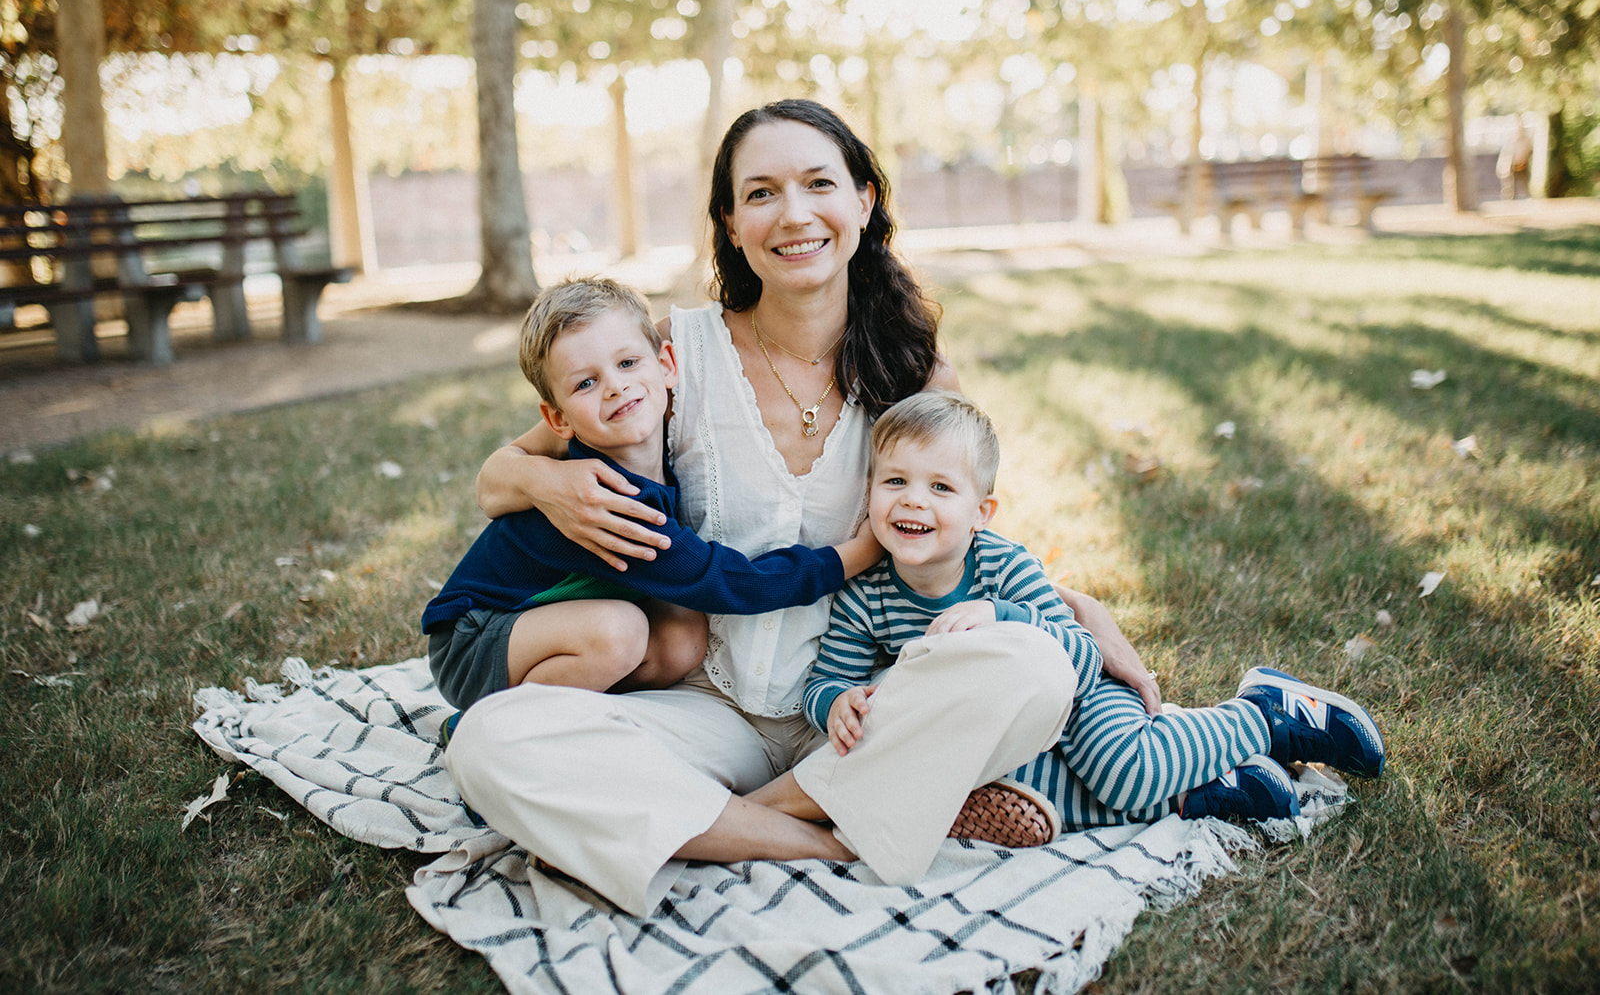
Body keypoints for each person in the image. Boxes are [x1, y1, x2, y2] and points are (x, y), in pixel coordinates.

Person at [446, 99, 1161, 917]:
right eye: (760, 193)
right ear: (730, 220)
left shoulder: (915, 373)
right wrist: (548, 484)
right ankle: (830, 824)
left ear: (863, 201)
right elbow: (498, 476)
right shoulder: (675, 354)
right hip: (704, 708)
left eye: (818, 183)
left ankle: (747, 813)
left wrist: (1076, 606)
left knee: (1032, 667)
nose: (793, 214)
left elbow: (959, 538)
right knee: (490, 743)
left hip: (859, 708)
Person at [746, 390, 1386, 884]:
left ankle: (1265, 716)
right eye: (896, 482)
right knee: (1035, 799)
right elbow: (830, 676)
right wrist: (835, 703)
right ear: (870, 494)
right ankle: (1200, 791)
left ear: (981, 512)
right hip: (1015, 731)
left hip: (1084, 699)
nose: (914, 502)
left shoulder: (1002, 565)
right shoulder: (868, 596)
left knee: (1123, 772)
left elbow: (1077, 651)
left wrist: (1003, 617)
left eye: (941, 487)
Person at [422, 277, 882, 719]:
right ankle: (494, 725)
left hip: (542, 625)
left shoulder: (652, 445)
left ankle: (581, 713)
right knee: (617, 634)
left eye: (627, 364)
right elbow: (730, 583)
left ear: (666, 365)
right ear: (558, 418)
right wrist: (851, 556)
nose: (616, 386)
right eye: (586, 383)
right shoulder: (611, 501)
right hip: (474, 639)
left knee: (681, 639)